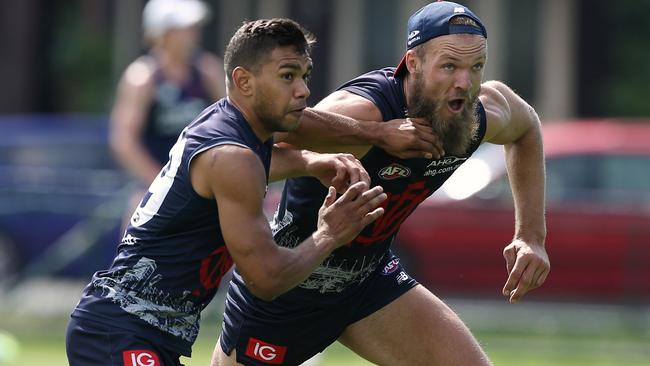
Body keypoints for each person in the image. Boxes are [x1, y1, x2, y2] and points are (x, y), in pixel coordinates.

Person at [214, 2, 550, 365]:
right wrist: (372, 135)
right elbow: (246, 127)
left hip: (369, 284)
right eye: (449, 66)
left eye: (476, 67)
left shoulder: (478, 117)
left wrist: (531, 235)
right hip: (288, 288)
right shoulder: (363, 112)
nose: (465, 84)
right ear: (414, 63)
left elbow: (527, 127)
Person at [66, 18, 391, 366]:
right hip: (117, 331)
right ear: (243, 81)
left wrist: (312, 162)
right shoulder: (232, 155)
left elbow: (261, 162)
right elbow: (267, 278)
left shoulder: (231, 131)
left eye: (305, 76)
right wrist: (330, 234)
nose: (303, 90)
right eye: (287, 76)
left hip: (130, 331)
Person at [109, 0, 226, 226]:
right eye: (185, 28)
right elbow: (123, 142)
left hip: (204, 191)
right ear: (163, 33)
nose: (194, 34)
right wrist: (162, 185)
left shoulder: (207, 72)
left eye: (194, 27)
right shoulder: (142, 78)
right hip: (153, 191)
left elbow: (233, 124)